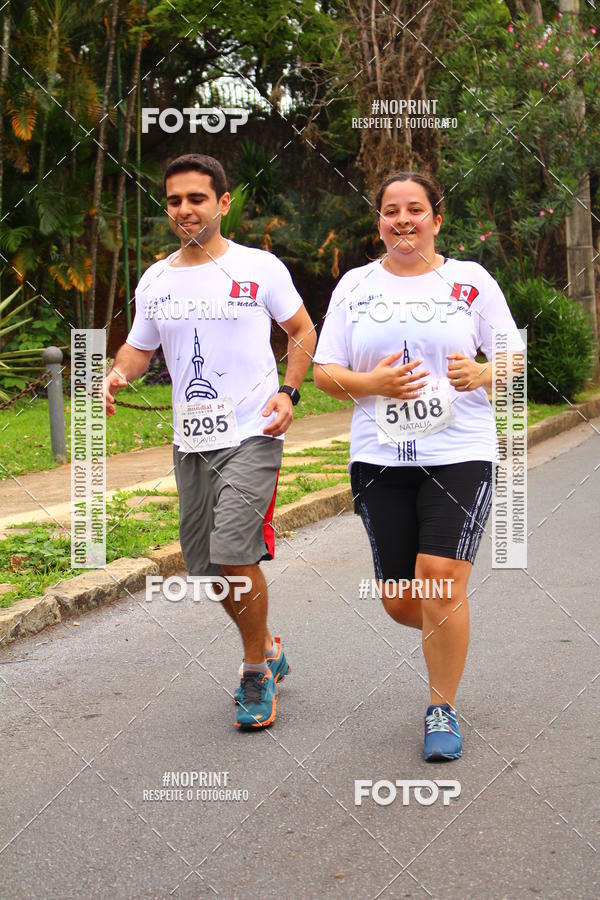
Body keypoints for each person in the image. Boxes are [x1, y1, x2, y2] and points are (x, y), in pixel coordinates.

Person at [313, 172, 523, 760]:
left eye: (414, 209)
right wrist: (372, 382)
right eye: (390, 211)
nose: (402, 220)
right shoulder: (355, 286)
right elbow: (325, 372)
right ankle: (447, 627)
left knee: (441, 579)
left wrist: (483, 373)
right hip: (380, 457)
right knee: (401, 598)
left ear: (436, 217)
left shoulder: (468, 282)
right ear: (379, 221)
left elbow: (513, 351)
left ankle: (441, 708)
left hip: (460, 450)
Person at [104, 153, 316, 730]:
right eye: (174, 200)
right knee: (211, 569)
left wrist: (289, 393)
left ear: (222, 203)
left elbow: (301, 330)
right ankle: (268, 645)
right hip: (191, 440)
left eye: (197, 198)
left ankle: (254, 671)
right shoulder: (157, 278)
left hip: (253, 432)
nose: (184, 209)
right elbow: (138, 347)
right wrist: (118, 372)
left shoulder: (259, 269)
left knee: (231, 551)